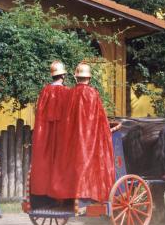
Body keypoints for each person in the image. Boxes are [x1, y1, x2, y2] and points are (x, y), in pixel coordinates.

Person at [52, 62, 115, 202]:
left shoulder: (69, 93)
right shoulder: (93, 93)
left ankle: (70, 192)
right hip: (89, 139)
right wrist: (107, 131)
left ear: (76, 78)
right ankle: (90, 193)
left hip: (72, 139)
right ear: (89, 78)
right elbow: (100, 118)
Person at [30, 61, 70, 196]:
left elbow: (39, 113)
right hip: (62, 133)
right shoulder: (66, 91)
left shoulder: (45, 90)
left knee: (46, 161)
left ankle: (44, 191)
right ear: (63, 75)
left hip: (45, 132)